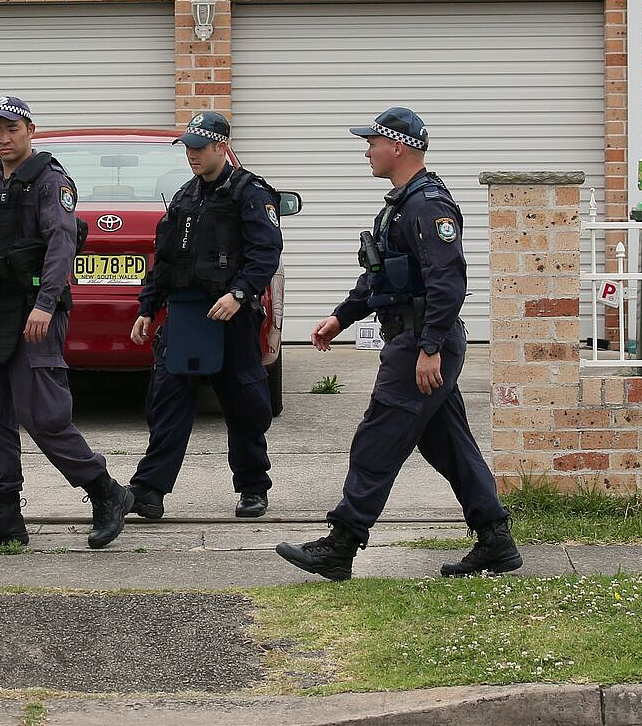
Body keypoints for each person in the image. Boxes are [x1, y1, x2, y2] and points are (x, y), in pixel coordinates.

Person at [276, 107, 519, 582]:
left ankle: (341, 544)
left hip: (421, 343)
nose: (367, 150)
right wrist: (341, 317)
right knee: (450, 445)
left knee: (378, 439)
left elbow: (447, 281)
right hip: (418, 338)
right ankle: (496, 539)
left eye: (372, 142)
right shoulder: (401, 205)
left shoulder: (427, 206)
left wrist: (429, 348)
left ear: (398, 147)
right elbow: (382, 276)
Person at [0, 96, 135, 551]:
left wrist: (46, 304)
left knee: (42, 416)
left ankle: (106, 492)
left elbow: (61, 245)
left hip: (33, 312)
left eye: (11, 129)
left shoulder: (49, 182)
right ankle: (4, 515)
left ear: (30, 129)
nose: (3, 138)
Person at [127, 111, 282, 521]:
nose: (192, 155)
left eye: (199, 148)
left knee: (244, 405)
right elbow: (163, 257)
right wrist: (148, 307)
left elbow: (265, 252)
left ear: (220, 147)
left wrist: (239, 292)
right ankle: (148, 491)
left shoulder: (250, 194)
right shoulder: (185, 196)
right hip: (185, 315)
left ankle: (252, 488)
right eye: (188, 148)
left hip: (231, 316)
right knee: (167, 405)